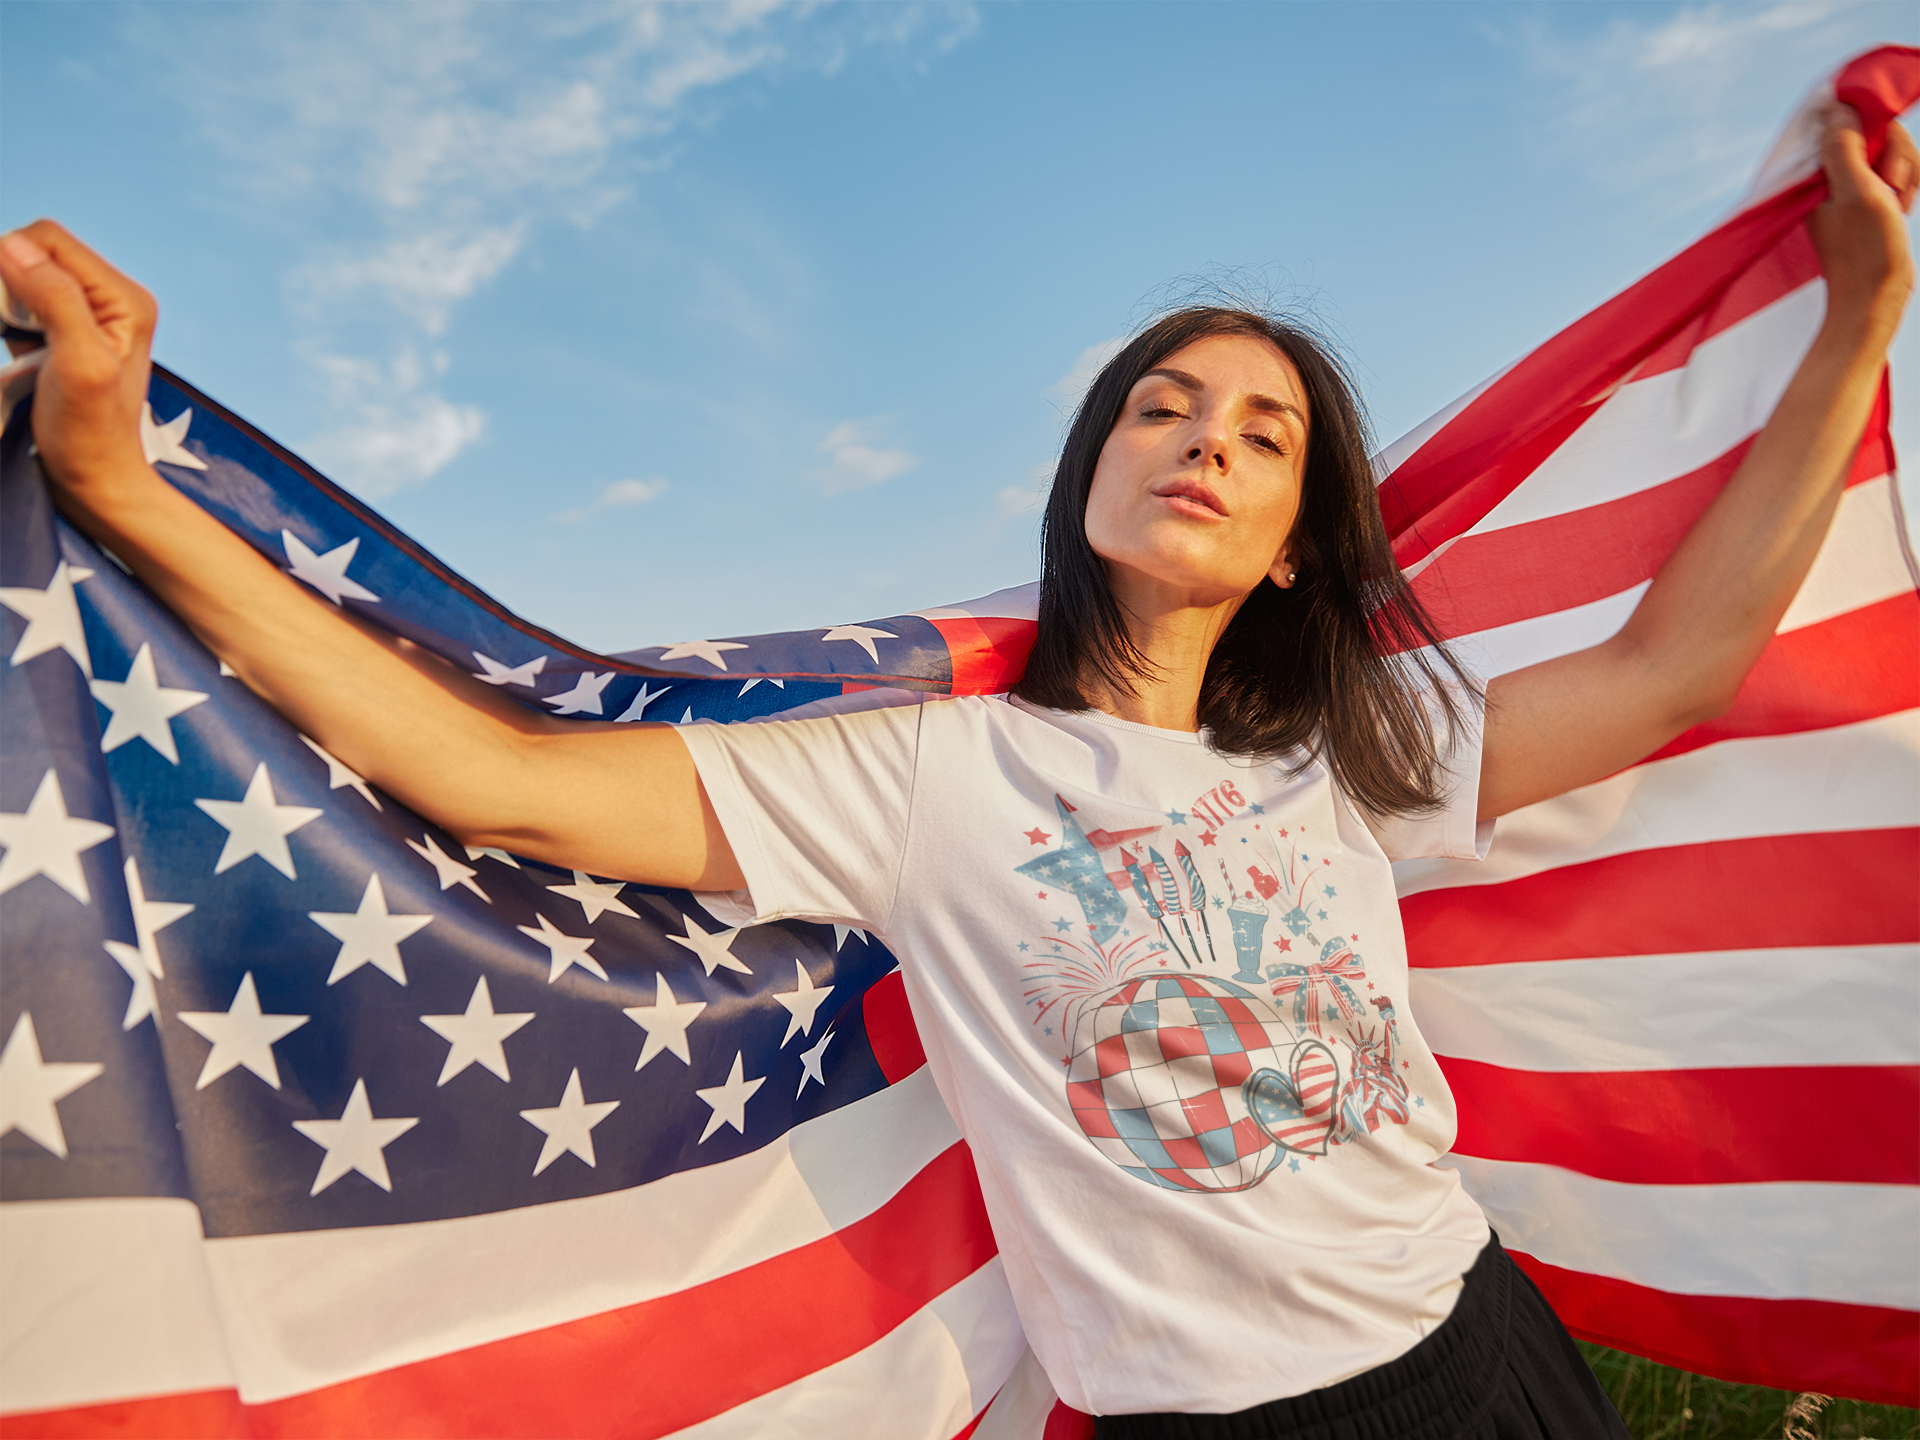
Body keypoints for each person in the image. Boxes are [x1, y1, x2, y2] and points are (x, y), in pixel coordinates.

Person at [1, 108, 1911, 1439]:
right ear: (1087, 479)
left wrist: (1858, 319)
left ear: (1294, 548)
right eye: (1162, 406)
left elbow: (1673, 669)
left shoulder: (1348, 767)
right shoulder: (932, 776)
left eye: (1264, 435)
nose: (1207, 440)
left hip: (1477, 1345)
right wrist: (120, 486)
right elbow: (499, 778)